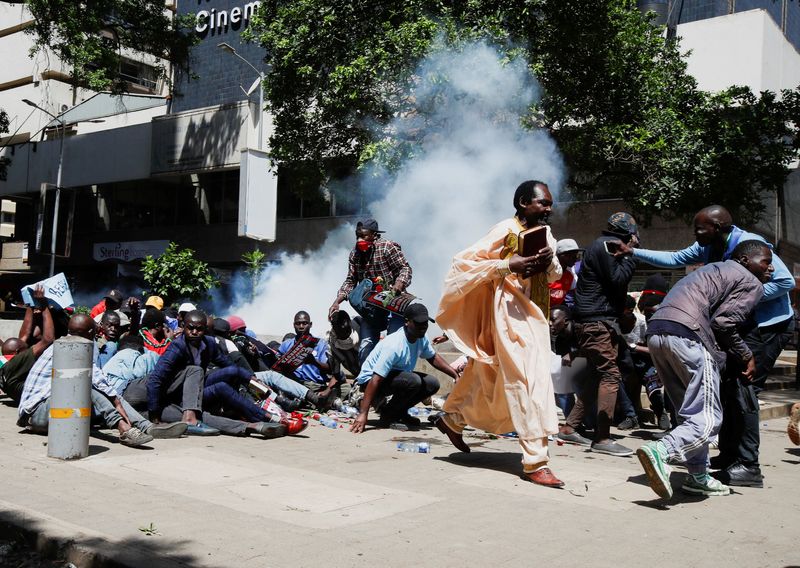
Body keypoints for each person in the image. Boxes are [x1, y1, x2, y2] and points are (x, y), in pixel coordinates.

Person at [616, 205, 795, 487]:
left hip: (766, 326)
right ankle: (719, 460)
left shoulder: (752, 249)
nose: (696, 234)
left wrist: (745, 295)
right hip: (726, 325)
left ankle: (748, 465)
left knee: (743, 390)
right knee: (720, 392)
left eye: (702, 228)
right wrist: (633, 252)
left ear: (720, 227)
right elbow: (675, 257)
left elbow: (784, 281)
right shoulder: (710, 248)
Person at [435, 180, 565, 488]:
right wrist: (507, 265)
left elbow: (556, 273)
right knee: (527, 381)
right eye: (542, 203)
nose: (548, 208)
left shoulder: (545, 234)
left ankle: (452, 418)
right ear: (523, 202)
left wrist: (547, 263)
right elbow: (463, 263)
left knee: (488, 371)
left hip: (533, 316)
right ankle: (535, 461)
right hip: (506, 316)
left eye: (549, 203)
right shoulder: (504, 229)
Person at [635, 240, 771, 499]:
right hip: (689, 337)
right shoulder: (751, 281)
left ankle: (698, 475)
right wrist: (745, 355)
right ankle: (661, 450)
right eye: (766, 261)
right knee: (709, 418)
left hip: (658, 334)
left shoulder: (711, 270)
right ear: (745, 260)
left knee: (691, 416)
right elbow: (724, 323)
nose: (771, 269)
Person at [17, 314, 186, 446]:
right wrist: (116, 402)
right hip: (35, 414)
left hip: (52, 409)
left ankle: (147, 427)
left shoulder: (65, 343)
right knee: (86, 384)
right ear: (91, 333)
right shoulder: (74, 347)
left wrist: (115, 400)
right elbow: (96, 379)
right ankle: (124, 429)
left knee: (101, 391)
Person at [557, 212, 638, 456]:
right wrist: (631, 255)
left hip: (598, 323)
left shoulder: (603, 245)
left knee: (596, 376)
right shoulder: (607, 246)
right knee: (611, 376)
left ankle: (570, 428)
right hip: (596, 324)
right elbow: (617, 279)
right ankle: (602, 438)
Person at [350, 303, 454, 433]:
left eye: (425, 324)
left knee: (432, 384)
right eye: (418, 324)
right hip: (369, 381)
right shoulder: (394, 345)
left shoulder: (421, 337)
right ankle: (388, 415)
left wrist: (455, 375)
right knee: (413, 381)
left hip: (395, 377)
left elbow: (433, 357)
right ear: (406, 322)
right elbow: (375, 379)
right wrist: (363, 413)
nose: (423, 328)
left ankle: (400, 412)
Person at [329, 218, 413, 363]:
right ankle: (365, 381)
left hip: (393, 302)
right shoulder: (355, 254)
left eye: (363, 236)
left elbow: (405, 269)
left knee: (391, 346)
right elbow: (351, 280)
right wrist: (338, 300)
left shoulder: (387, 247)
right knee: (365, 349)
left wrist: (399, 283)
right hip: (371, 306)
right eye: (357, 236)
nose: (359, 239)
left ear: (374, 235)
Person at [0, 285, 54, 405]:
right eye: (26, 348)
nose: (29, 347)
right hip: (38, 400)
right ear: (17, 353)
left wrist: (30, 303)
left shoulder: (6, 363)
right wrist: (44, 305)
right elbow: (48, 339)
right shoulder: (15, 364)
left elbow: (24, 335)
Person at [549, 239, 582, 307]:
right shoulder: (548, 272)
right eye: (572, 256)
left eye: (577, 256)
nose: (576, 259)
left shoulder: (570, 275)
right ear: (562, 255)